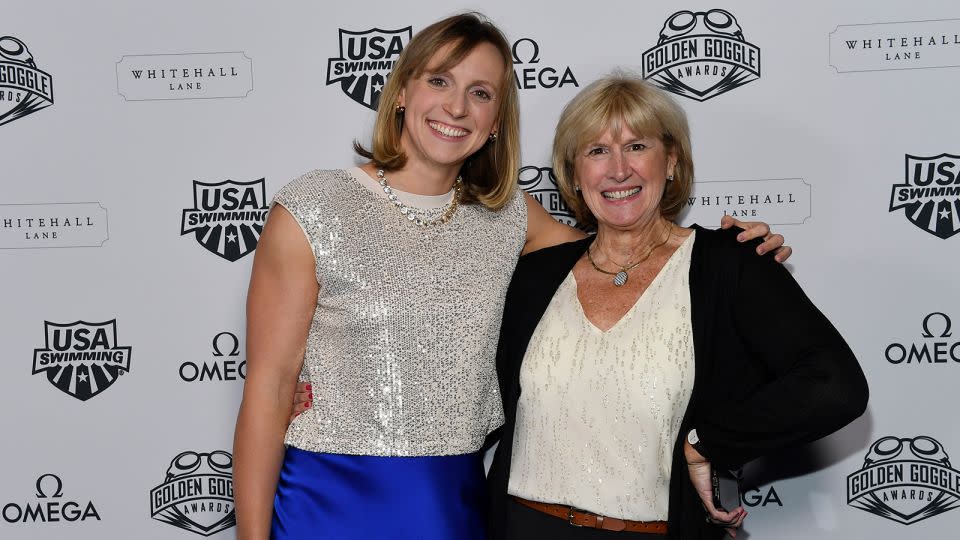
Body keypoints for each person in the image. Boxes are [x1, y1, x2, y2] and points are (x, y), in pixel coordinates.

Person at [235, 13, 789, 540]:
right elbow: (269, 389)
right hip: (326, 499)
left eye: (480, 92)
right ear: (401, 91)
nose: (456, 106)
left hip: (455, 504)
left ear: (496, 120)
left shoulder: (509, 217)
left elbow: (632, 248)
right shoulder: (314, 207)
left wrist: (726, 251)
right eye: (439, 81)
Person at [484, 74, 869, 539]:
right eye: (597, 150)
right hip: (524, 526)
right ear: (574, 173)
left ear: (671, 162)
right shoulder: (536, 275)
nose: (618, 169)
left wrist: (708, 443)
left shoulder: (728, 264)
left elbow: (834, 386)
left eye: (637, 146)